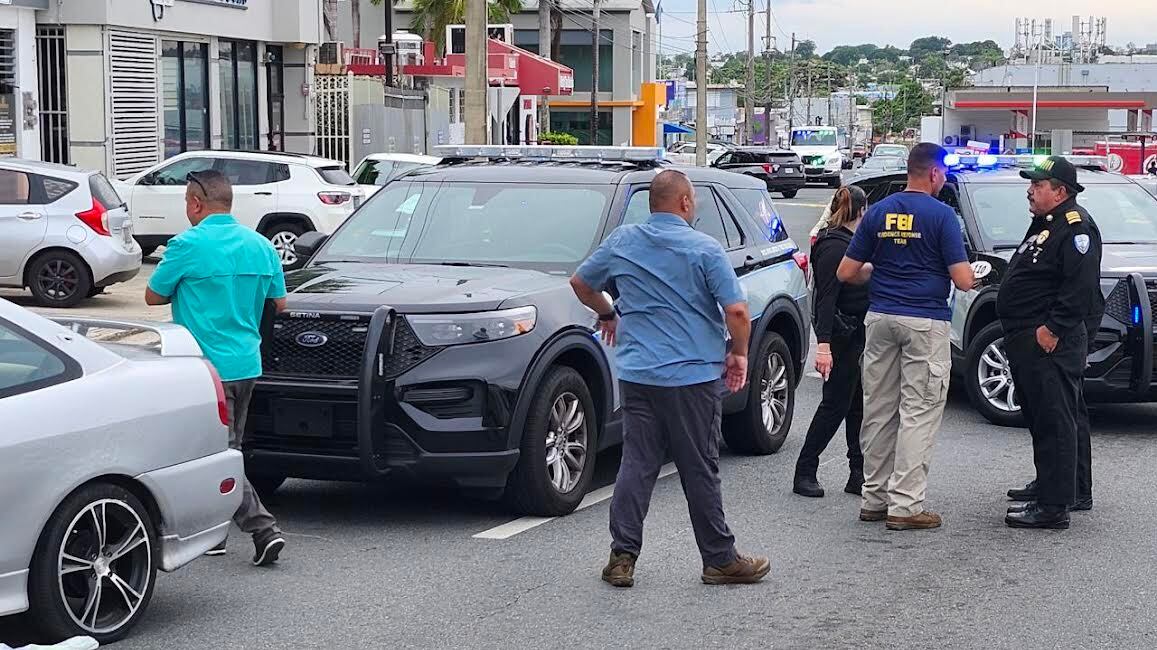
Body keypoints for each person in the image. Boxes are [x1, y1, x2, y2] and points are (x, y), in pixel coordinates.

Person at [569, 169, 769, 588]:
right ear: (684, 202)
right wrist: (739, 353)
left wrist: (608, 313)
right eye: (693, 200)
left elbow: (581, 283)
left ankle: (622, 557)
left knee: (637, 463)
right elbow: (736, 311)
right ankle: (719, 559)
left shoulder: (623, 241)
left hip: (639, 373)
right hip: (691, 376)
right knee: (699, 467)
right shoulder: (704, 248)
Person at [145, 169, 287, 566]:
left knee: (215, 454)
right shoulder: (262, 246)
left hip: (204, 370)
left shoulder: (186, 245)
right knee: (229, 449)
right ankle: (216, 533)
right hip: (247, 363)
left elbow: (153, 295)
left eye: (185, 203)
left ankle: (263, 529)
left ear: (195, 203)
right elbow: (280, 303)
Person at [836, 143, 975, 531]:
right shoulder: (942, 215)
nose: (943, 180)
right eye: (943, 174)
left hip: (880, 317)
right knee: (919, 411)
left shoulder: (879, 211)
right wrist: (971, 274)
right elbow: (963, 280)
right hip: (924, 322)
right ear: (933, 174)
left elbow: (846, 272)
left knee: (878, 409)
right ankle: (906, 505)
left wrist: (880, 272)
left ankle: (874, 499)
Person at [998, 156, 1102, 529]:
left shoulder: (1075, 227)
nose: (1030, 191)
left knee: (1055, 420)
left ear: (1060, 192)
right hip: (1031, 337)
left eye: (1038, 185)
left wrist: (1052, 329)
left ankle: (1054, 506)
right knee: (1049, 417)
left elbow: (1079, 287)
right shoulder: (1047, 223)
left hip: (1050, 341)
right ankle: (1060, 486)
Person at [793, 186, 871, 498]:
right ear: (862, 211)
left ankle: (857, 472)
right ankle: (805, 470)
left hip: (853, 333)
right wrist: (823, 345)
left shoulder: (842, 241)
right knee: (835, 405)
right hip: (841, 334)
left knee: (855, 404)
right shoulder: (835, 246)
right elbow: (826, 298)